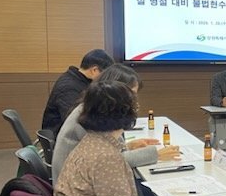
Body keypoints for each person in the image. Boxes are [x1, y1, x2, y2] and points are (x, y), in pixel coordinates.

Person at [52, 64, 181, 183]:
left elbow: (104, 152)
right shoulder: (91, 115)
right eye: (131, 95)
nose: (133, 101)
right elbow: (108, 162)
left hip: (77, 182)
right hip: (77, 186)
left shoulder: (92, 107)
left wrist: (129, 146)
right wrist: (156, 154)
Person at [41, 49, 114, 135]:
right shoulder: (69, 87)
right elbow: (77, 121)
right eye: (105, 75)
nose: (106, 80)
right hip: (65, 138)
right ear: (94, 70)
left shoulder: (81, 81)